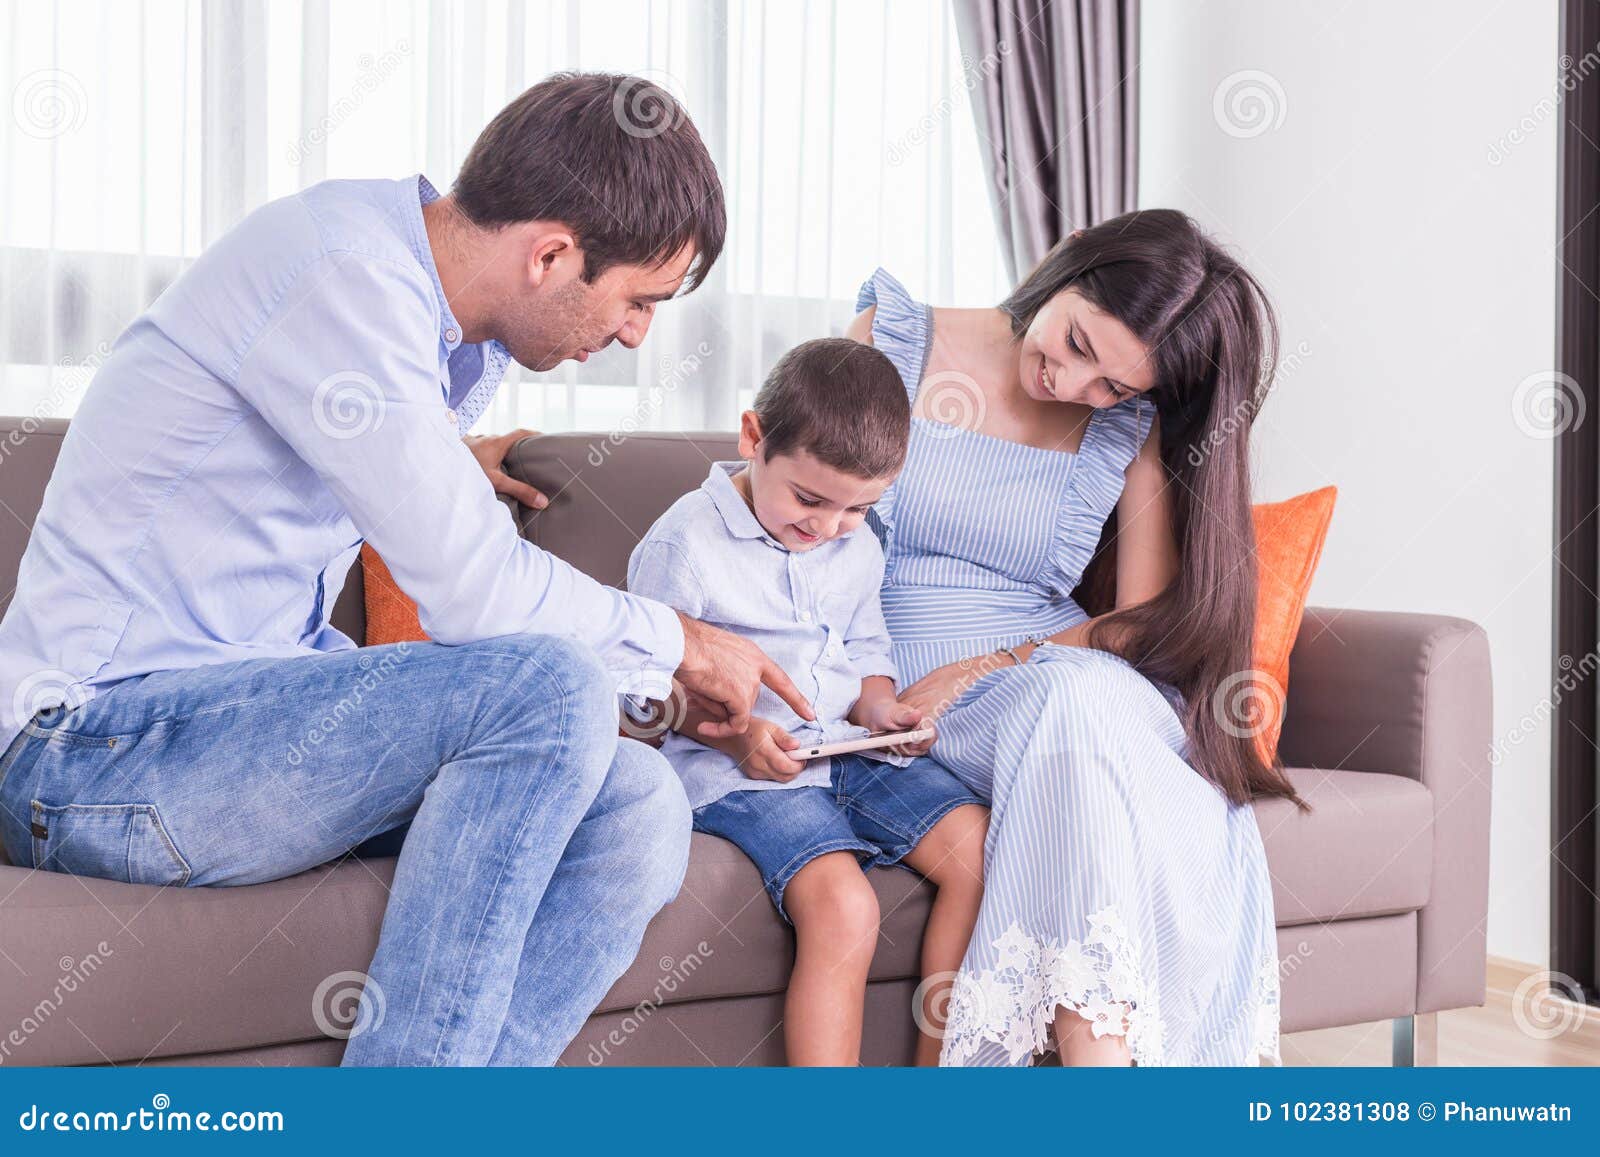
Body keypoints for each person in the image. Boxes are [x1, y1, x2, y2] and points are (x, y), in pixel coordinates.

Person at [0, 72, 811, 1067]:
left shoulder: (430, 327)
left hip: (228, 727)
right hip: (87, 752)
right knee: (543, 683)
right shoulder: (343, 276)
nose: (638, 334)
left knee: (639, 804)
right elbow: (478, 597)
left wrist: (665, 692)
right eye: (638, 300)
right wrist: (680, 641)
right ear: (551, 254)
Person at [846, 210, 1303, 1066]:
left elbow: (1140, 618)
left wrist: (1001, 659)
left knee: (1129, 736)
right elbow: (793, 513)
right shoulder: (896, 340)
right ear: (1067, 268)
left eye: (1114, 388)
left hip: (1047, 665)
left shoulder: (1125, 423)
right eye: (1079, 344)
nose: (1078, 387)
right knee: (1077, 712)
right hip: (902, 654)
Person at [627, 338, 988, 1066]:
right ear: (753, 437)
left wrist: (882, 711)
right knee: (845, 904)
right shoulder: (686, 543)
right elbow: (642, 699)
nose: (827, 526)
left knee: (978, 848)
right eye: (809, 499)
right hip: (733, 765)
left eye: (858, 507)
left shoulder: (858, 544)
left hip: (841, 745)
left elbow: (866, 652)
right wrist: (736, 737)